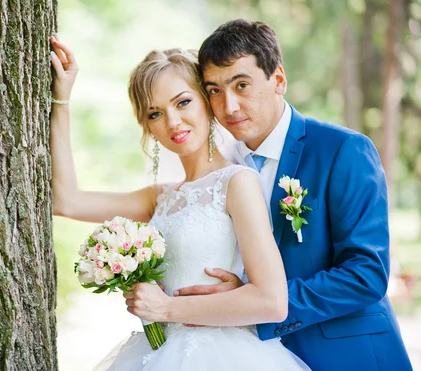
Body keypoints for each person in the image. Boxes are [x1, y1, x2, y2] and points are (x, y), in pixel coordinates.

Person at [49, 34, 310, 370]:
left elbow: (272, 302)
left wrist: (166, 309)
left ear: (206, 101)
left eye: (183, 102)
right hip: (156, 354)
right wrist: (63, 99)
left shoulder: (236, 183)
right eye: (155, 113)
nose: (172, 122)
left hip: (222, 355)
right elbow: (67, 201)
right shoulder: (159, 196)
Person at [172, 19, 413, 371]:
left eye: (242, 85)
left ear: (279, 80)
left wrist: (258, 304)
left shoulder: (343, 150)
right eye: (214, 91)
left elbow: (366, 274)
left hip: (348, 356)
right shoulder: (222, 170)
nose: (230, 106)